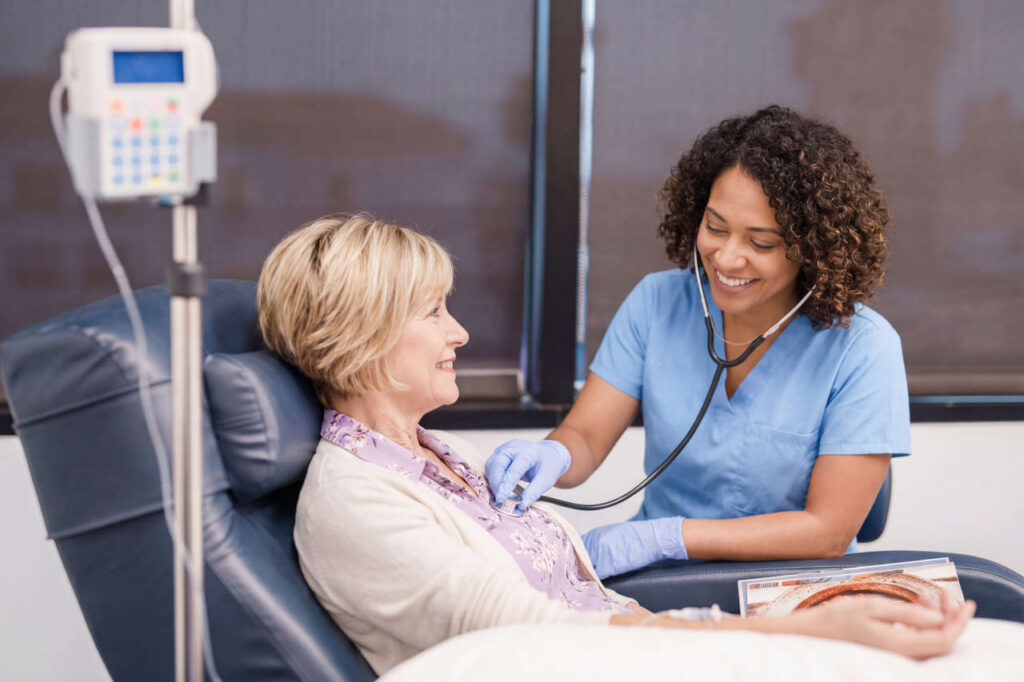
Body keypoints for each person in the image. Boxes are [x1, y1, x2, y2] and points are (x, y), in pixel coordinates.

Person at [257, 213, 971, 676]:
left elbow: (829, 529)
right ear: (364, 333)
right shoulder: (357, 500)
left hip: (652, 624)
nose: (463, 334)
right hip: (618, 647)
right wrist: (809, 636)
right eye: (435, 312)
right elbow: (545, 633)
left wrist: (677, 556)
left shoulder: (436, 459)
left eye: (762, 241)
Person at [487, 105, 910, 579]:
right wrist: (553, 455)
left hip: (791, 588)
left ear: (814, 248)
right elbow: (585, 436)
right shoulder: (657, 303)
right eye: (715, 227)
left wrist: (664, 537)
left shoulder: (863, 349)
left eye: (762, 243)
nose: (727, 258)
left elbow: (827, 531)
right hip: (661, 577)